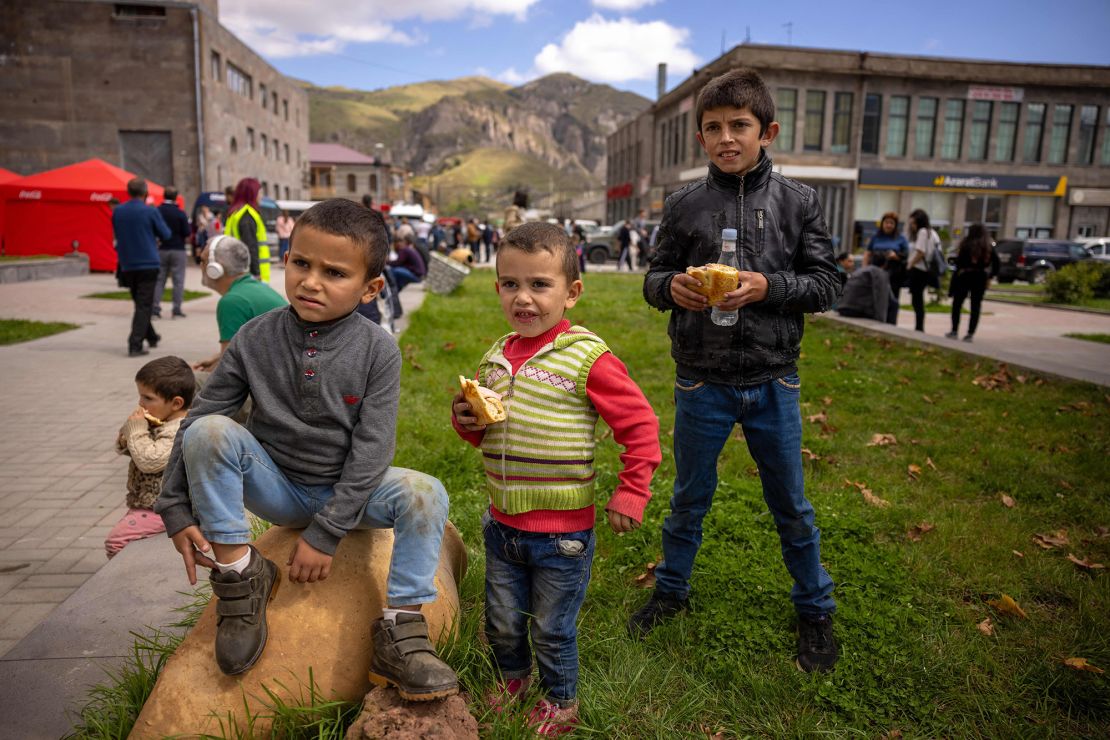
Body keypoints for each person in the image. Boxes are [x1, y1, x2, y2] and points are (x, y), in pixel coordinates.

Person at [155, 199, 458, 698]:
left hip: (354, 496)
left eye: (334, 272)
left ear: (370, 288)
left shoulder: (379, 350)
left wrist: (326, 533)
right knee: (209, 430)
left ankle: (402, 632)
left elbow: (373, 447)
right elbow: (199, 421)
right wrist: (172, 503)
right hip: (276, 487)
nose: (311, 281)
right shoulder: (254, 338)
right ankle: (240, 578)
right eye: (301, 263)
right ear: (286, 259)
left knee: (425, 492)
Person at [633, 68, 843, 673]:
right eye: (714, 128)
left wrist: (767, 287)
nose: (727, 138)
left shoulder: (798, 202)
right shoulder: (683, 205)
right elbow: (652, 278)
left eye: (740, 126)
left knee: (792, 503)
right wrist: (672, 287)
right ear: (701, 138)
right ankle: (671, 591)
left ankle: (814, 606)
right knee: (688, 497)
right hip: (701, 377)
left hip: (774, 377)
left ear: (766, 131)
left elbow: (827, 283)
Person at [451, 221, 661, 733]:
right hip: (503, 526)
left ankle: (561, 702)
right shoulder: (495, 359)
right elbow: (488, 435)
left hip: (563, 534)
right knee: (501, 622)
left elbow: (641, 425)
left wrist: (631, 491)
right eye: (510, 284)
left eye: (540, 285)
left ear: (572, 293)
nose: (523, 298)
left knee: (551, 627)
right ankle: (512, 681)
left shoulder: (588, 357)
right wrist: (467, 420)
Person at [104, 356, 194, 558]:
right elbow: (132, 451)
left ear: (176, 403)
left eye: (148, 398)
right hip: (146, 506)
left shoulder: (179, 430)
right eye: (140, 396)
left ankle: (128, 575)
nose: (140, 403)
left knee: (116, 541)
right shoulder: (161, 421)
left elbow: (149, 461)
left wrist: (136, 432)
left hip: (162, 509)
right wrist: (126, 437)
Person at [191, 235, 287, 373]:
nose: (200, 265)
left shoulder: (232, 301)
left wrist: (197, 373)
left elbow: (227, 369)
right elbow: (243, 349)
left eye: (202, 260)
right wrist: (216, 358)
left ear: (215, 268)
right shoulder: (255, 288)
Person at [113, 178, 171, 357]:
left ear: (128, 192)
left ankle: (152, 337)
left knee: (140, 303)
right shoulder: (150, 211)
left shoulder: (118, 211)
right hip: (148, 263)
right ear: (145, 193)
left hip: (127, 264)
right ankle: (135, 344)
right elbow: (166, 234)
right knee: (144, 304)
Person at [946, 223, 1000, 343]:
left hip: (965, 276)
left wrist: (952, 286)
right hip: (980, 277)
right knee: (975, 306)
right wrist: (990, 276)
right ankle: (970, 333)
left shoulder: (966, 245)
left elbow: (958, 264)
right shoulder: (988, 247)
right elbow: (997, 263)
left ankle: (954, 330)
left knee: (957, 304)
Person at [153, 187, 192, 320]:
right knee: (178, 281)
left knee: (159, 280)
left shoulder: (157, 211)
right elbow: (187, 232)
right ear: (176, 197)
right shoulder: (180, 213)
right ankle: (176, 310)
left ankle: (155, 309)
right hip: (178, 249)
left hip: (161, 249)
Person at [866, 212, 909, 326]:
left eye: (892, 223)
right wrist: (864, 269)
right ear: (882, 224)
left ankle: (891, 324)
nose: (889, 225)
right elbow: (868, 253)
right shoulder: (876, 237)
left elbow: (906, 255)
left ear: (895, 225)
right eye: (886, 222)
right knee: (875, 298)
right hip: (875, 273)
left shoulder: (901, 239)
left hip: (893, 275)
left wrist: (895, 256)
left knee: (892, 301)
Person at [225, 178, 269, 283]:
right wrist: (256, 273)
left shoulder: (236, 213)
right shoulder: (247, 215)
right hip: (251, 275)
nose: (261, 196)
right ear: (251, 194)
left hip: (239, 271)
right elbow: (250, 246)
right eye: (259, 192)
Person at [905, 208, 939, 333]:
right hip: (927, 270)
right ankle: (919, 326)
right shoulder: (932, 232)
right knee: (918, 299)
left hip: (919, 270)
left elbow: (920, 252)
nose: (912, 226)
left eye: (913, 223)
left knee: (917, 300)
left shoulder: (923, 232)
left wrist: (910, 264)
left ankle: (919, 327)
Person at [837, 251, 893, 322]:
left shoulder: (860, 271)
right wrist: (881, 322)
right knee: (894, 304)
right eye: (850, 261)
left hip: (842, 307)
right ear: (884, 265)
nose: (852, 264)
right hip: (856, 310)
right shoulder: (880, 273)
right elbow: (881, 298)